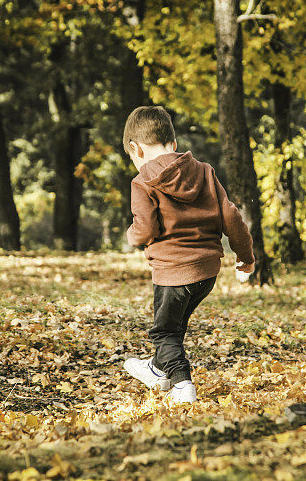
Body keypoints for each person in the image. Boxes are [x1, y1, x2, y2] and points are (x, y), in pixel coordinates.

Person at [121, 105, 255, 404]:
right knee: (175, 325)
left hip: (172, 272)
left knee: (164, 331)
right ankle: (157, 369)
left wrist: (131, 235)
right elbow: (231, 217)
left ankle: (182, 384)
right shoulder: (205, 172)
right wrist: (245, 256)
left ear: (135, 148)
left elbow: (144, 231)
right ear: (174, 143)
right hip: (206, 273)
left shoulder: (142, 182)